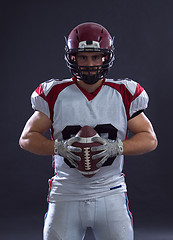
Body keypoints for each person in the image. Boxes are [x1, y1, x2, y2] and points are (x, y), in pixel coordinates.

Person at [19, 22, 158, 240]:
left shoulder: (123, 92)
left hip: (109, 192)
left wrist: (117, 147)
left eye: (95, 57)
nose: (90, 64)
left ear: (106, 57)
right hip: (66, 192)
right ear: (72, 58)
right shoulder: (55, 92)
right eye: (83, 57)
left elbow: (150, 139)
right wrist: (58, 147)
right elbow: (27, 138)